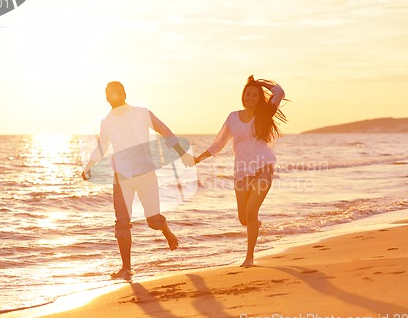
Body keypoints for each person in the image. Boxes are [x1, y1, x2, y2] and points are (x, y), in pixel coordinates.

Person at [82, 81, 194, 279]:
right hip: (122, 177)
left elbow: (165, 131)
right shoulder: (106, 123)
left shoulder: (142, 113)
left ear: (124, 93)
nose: (113, 96)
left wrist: (182, 154)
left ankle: (164, 228)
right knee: (122, 222)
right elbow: (102, 148)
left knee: (152, 221)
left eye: (116, 92)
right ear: (106, 98)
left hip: (145, 174)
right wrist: (88, 166)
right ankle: (126, 268)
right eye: (109, 94)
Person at [194, 75, 287, 267]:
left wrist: (260, 83)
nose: (250, 97)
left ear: (259, 98)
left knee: (251, 212)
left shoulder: (265, 114)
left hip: (263, 168)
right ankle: (255, 226)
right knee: (244, 219)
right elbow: (218, 144)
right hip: (242, 172)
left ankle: (249, 258)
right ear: (242, 96)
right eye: (247, 94)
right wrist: (199, 158)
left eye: (254, 95)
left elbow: (279, 92)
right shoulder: (233, 117)